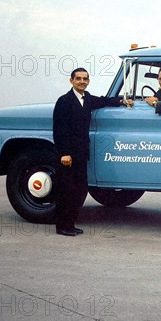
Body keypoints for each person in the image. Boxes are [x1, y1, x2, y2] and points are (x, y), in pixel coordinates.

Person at [53, 67, 131, 236]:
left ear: (88, 81)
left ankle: (71, 224)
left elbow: (103, 101)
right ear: (71, 80)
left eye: (85, 79)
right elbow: (59, 130)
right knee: (66, 190)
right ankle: (62, 226)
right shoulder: (64, 101)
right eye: (78, 78)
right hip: (69, 154)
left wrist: (121, 101)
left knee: (80, 189)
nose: (82, 81)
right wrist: (64, 153)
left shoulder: (86, 98)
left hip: (81, 152)